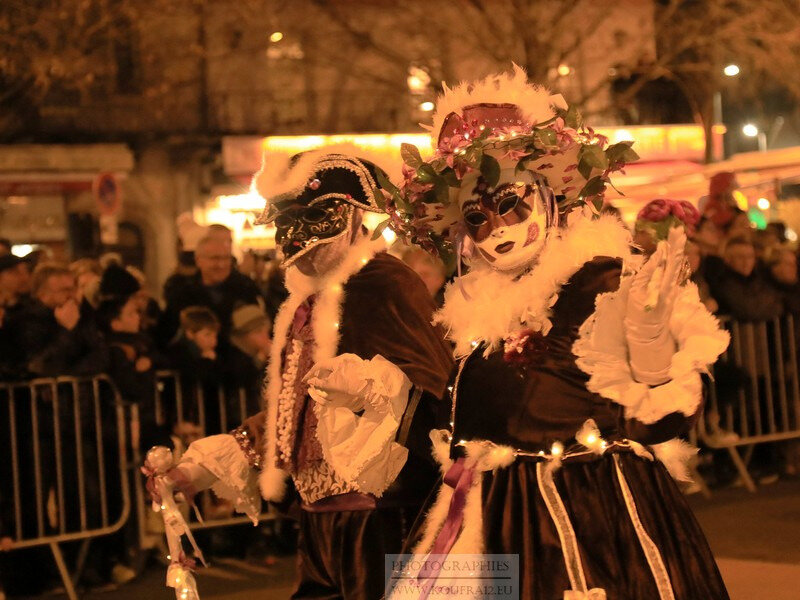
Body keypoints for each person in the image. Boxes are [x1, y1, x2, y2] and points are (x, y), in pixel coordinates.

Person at [388, 68, 730, 599]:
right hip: (488, 519)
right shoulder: (479, 307)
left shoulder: (600, 280)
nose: (495, 228)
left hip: (585, 519)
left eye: (509, 203)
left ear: (550, 196)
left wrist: (650, 346)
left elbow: (669, 417)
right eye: (475, 217)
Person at [146, 145, 454, 600]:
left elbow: (433, 389)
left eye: (312, 218)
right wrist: (202, 470)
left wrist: (372, 390)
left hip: (383, 514)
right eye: (284, 221)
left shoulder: (385, 283)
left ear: (351, 217)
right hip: (319, 518)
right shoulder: (303, 304)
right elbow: (293, 415)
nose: (295, 238)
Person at [160, 234, 262, 348]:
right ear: (198, 260)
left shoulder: (246, 287)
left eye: (226, 258)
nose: (221, 264)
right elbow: (167, 332)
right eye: (215, 258)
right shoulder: (182, 292)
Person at [10, 262, 107, 377]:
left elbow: (99, 355)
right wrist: (66, 329)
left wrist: (72, 374)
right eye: (64, 290)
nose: (72, 295)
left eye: (74, 289)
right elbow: (40, 366)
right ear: (42, 295)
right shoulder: (27, 321)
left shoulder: (83, 313)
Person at [711, 236, 784, 321]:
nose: (746, 262)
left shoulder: (757, 279)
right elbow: (748, 311)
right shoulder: (723, 282)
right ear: (727, 259)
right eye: (740, 257)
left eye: (750, 257)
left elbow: (779, 306)